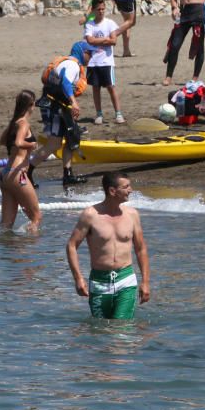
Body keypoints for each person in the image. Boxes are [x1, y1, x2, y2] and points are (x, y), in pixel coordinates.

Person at [66, 172, 150, 320]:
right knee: (100, 329)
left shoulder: (132, 215)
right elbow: (72, 246)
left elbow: (140, 248)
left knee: (122, 329)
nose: (130, 190)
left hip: (126, 280)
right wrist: (78, 278)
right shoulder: (90, 215)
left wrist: (145, 282)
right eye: (126, 187)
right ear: (112, 191)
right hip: (99, 281)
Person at [30, 42, 93, 187]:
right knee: (54, 144)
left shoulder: (70, 63)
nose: (91, 57)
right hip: (55, 108)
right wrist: (74, 102)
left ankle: (68, 175)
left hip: (59, 106)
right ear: (82, 52)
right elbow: (65, 82)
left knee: (72, 138)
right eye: (90, 53)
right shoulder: (72, 65)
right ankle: (27, 172)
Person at [84, 0, 134, 125]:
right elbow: (90, 40)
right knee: (95, 88)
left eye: (103, 9)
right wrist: (105, 40)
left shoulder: (110, 23)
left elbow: (113, 41)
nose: (101, 11)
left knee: (111, 87)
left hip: (106, 62)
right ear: (93, 10)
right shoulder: (89, 24)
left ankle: (118, 114)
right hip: (93, 62)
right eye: (98, 9)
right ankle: (99, 114)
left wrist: (100, 41)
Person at [0, 90, 40, 233]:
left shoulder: (13, 123)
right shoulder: (23, 124)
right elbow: (19, 142)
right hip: (18, 174)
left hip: (5, 175)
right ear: (31, 105)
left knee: (6, 225)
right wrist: (32, 145)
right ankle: (30, 253)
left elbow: (2, 141)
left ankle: (9, 254)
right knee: (36, 218)